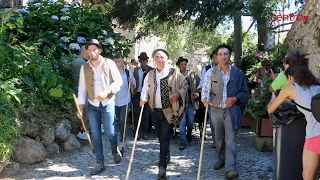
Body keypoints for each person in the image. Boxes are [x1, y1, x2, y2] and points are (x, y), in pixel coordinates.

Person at [202, 44, 249, 179]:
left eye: (226, 54)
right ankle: (221, 159)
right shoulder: (211, 72)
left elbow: (245, 92)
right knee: (219, 138)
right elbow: (205, 89)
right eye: (220, 54)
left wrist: (235, 98)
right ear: (216, 57)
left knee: (231, 138)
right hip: (215, 109)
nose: (223, 57)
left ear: (230, 56)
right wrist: (205, 98)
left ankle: (230, 168)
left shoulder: (238, 73)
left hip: (231, 111)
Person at [140, 49, 188, 179]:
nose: (159, 60)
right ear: (154, 60)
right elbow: (145, 90)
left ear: (167, 59)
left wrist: (178, 94)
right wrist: (143, 97)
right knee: (161, 138)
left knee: (165, 137)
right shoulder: (150, 74)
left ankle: (162, 169)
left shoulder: (175, 74)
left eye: (162, 57)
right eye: (156, 57)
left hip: (169, 111)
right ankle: (166, 154)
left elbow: (185, 85)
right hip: (155, 111)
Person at [77, 39, 123, 175]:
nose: (92, 52)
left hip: (108, 103)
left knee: (110, 132)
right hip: (92, 105)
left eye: (94, 49)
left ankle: (115, 150)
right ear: (87, 52)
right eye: (89, 50)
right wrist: (80, 107)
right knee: (95, 134)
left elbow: (118, 81)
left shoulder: (109, 63)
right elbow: (81, 88)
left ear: (100, 50)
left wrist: (107, 92)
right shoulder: (84, 67)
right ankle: (100, 163)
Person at [267, 65, 320, 180]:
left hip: (315, 135)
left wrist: (273, 96)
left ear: (290, 77)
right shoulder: (316, 86)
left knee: (308, 175)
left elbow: (271, 109)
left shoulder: (290, 87)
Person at [176, 57, 200, 150]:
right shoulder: (176, 76)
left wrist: (197, 93)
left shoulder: (193, 75)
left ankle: (189, 134)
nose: (183, 66)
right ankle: (182, 141)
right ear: (179, 65)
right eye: (182, 64)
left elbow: (199, 85)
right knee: (182, 123)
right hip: (180, 103)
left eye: (185, 64)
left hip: (190, 103)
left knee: (190, 122)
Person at [113, 53, 136, 145]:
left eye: (119, 61)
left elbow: (134, 87)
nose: (117, 64)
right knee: (115, 121)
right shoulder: (111, 73)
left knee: (122, 120)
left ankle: (123, 138)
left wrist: (131, 83)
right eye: (115, 62)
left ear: (122, 62)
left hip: (125, 100)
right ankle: (115, 138)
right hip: (114, 101)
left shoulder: (128, 73)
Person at [132, 52, 153, 140]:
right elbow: (133, 81)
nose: (143, 62)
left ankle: (144, 132)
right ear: (140, 61)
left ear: (147, 61)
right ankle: (136, 131)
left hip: (148, 95)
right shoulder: (135, 70)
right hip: (137, 93)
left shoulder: (152, 71)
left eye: (145, 60)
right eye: (141, 60)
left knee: (146, 114)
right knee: (136, 113)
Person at [199, 50, 218, 148]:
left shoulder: (223, 68)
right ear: (212, 58)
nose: (217, 59)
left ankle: (220, 139)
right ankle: (215, 140)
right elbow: (202, 83)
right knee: (212, 120)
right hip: (211, 98)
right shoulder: (206, 69)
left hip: (221, 98)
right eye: (215, 58)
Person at [72, 45, 89, 140]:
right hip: (84, 91)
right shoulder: (82, 63)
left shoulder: (75, 61)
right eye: (87, 52)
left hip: (78, 90)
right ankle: (82, 130)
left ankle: (82, 130)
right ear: (82, 51)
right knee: (87, 112)